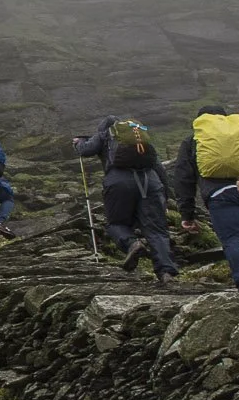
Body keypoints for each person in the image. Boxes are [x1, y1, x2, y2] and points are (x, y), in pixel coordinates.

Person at [172, 106, 239, 292]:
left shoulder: (194, 140)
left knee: (233, 240)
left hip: (220, 195)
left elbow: (184, 179)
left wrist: (187, 214)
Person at [71, 116, 178, 281]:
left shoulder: (105, 134)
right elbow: (158, 166)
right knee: (156, 230)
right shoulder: (138, 136)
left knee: (117, 223)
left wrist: (78, 143)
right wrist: (166, 194)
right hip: (150, 181)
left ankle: (132, 244)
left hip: (119, 181)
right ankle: (166, 272)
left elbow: (86, 150)